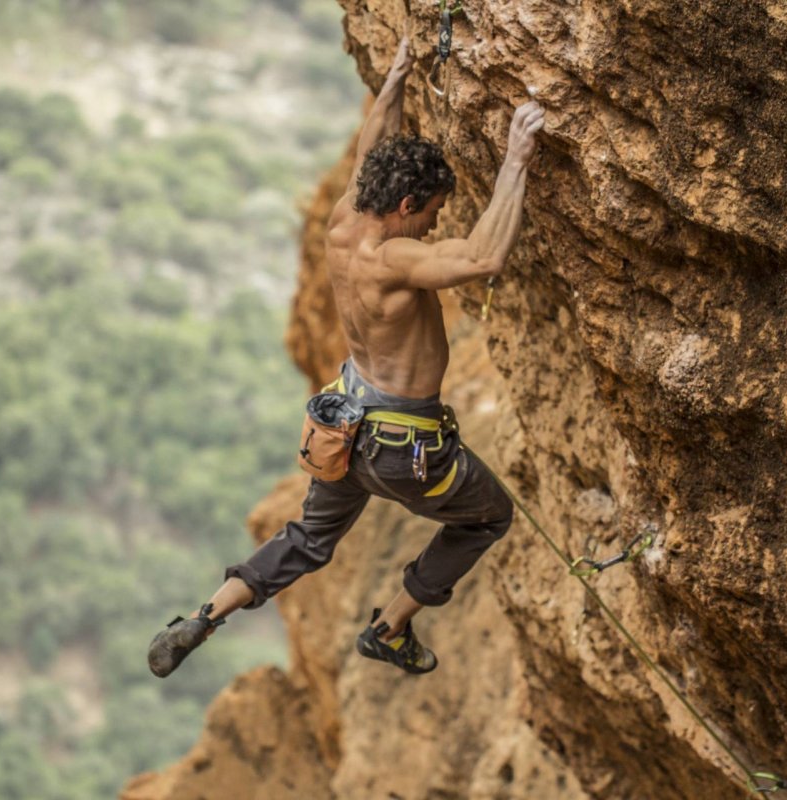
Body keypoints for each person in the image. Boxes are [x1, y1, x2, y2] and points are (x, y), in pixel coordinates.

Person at [149, 34, 544, 678]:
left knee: (307, 539)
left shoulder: (343, 222)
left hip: (340, 428)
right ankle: (391, 628)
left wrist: (395, 81)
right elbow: (482, 257)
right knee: (487, 516)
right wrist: (517, 160)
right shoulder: (395, 258)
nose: (432, 227)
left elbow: (371, 151)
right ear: (408, 205)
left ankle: (204, 615)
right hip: (400, 447)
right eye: (432, 214)